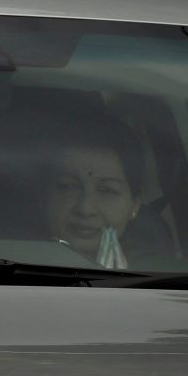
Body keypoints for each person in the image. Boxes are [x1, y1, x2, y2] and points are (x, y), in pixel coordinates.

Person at [38, 115, 146, 269]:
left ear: (135, 204)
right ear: (45, 195)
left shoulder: (166, 280)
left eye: (106, 190)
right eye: (69, 186)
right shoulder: (7, 262)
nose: (85, 209)